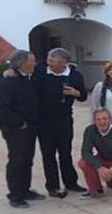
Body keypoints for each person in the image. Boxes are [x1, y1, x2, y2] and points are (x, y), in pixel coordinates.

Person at [0, 50, 45, 208]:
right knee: (17, 160)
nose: (35, 64)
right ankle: (15, 195)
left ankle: (25, 189)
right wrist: (18, 122)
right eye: (32, 61)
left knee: (27, 160)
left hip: (30, 127)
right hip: (15, 129)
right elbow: (0, 106)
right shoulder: (10, 80)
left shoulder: (28, 78)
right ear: (23, 63)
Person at [35, 47, 87, 196]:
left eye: (52, 60)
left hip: (64, 119)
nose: (48, 62)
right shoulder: (40, 70)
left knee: (65, 153)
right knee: (48, 154)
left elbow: (83, 96)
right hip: (44, 120)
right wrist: (9, 72)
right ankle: (53, 186)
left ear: (64, 62)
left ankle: (71, 182)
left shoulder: (75, 76)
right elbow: (22, 68)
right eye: (48, 59)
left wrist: (75, 93)